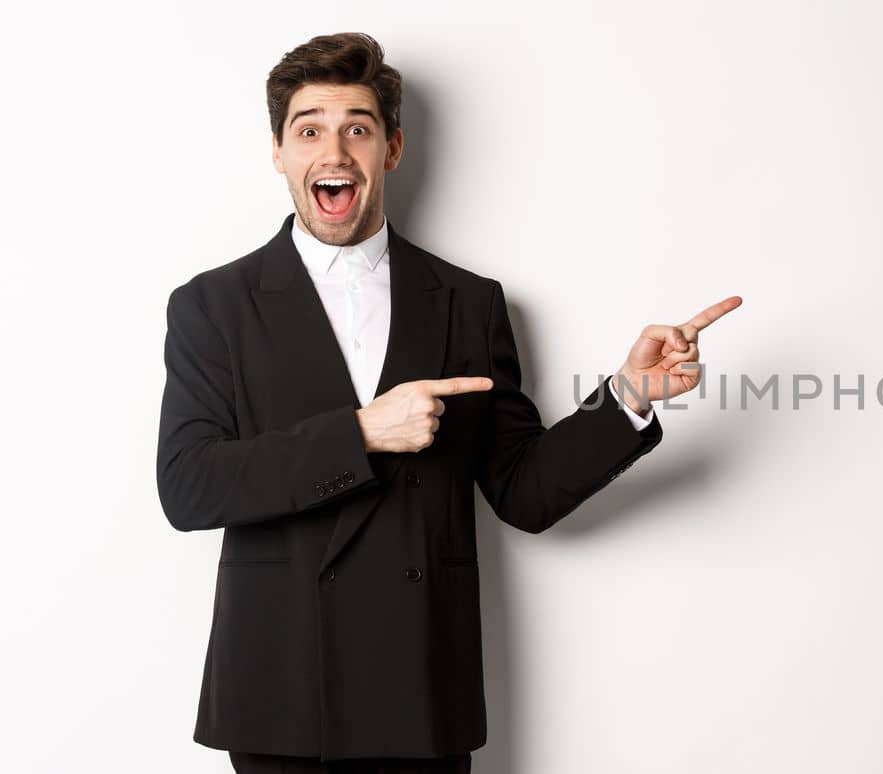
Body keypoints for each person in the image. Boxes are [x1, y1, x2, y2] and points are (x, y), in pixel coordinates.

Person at [154, 32, 742, 773]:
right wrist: (364, 432)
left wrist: (626, 395)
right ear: (279, 151)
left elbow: (524, 492)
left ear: (391, 149)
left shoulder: (468, 302)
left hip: (421, 690)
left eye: (357, 129)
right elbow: (188, 484)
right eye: (309, 130)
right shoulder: (213, 305)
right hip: (283, 692)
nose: (333, 152)